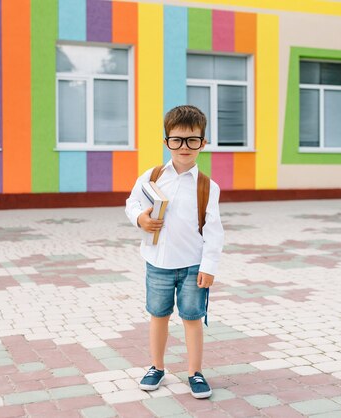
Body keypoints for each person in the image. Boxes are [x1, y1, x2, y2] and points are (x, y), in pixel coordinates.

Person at [125, 105, 224, 399]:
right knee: (159, 315)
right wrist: (140, 218)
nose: (184, 147)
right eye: (177, 139)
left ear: (203, 143)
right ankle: (157, 367)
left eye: (192, 140)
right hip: (158, 262)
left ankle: (195, 372)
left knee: (192, 318)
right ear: (166, 141)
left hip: (194, 264)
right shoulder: (153, 176)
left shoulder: (208, 186)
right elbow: (131, 203)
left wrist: (209, 266)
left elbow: (214, 230)